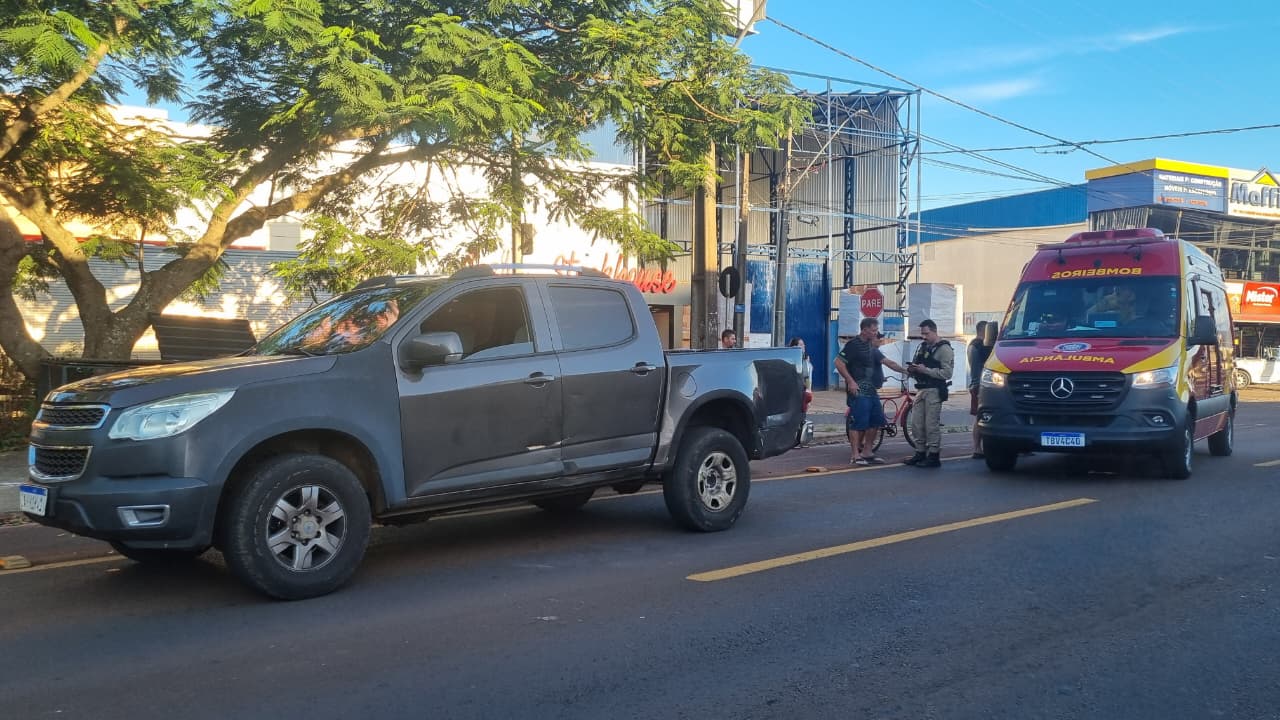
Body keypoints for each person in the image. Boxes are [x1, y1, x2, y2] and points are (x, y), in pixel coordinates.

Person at [835, 318, 906, 466]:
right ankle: (855, 455)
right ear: (864, 329)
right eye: (873, 330)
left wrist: (906, 371)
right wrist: (850, 381)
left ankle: (867, 451)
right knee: (858, 422)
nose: (875, 333)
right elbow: (838, 362)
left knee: (876, 420)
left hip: (872, 390)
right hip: (859, 390)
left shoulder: (872, 348)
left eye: (876, 330)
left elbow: (889, 363)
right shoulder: (853, 345)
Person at [904, 319, 954, 469]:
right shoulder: (923, 347)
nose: (924, 337)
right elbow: (918, 363)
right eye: (922, 334)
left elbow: (947, 373)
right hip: (921, 389)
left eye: (926, 333)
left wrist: (925, 370)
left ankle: (933, 455)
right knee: (916, 423)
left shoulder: (944, 349)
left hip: (934, 390)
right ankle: (920, 452)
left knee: (931, 424)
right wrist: (913, 369)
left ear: (934, 331)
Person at [967, 320, 992, 459]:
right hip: (981, 386)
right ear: (985, 330)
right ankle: (977, 448)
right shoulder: (982, 345)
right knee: (979, 417)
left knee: (978, 416)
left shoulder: (972, 344)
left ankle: (977, 448)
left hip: (975, 384)